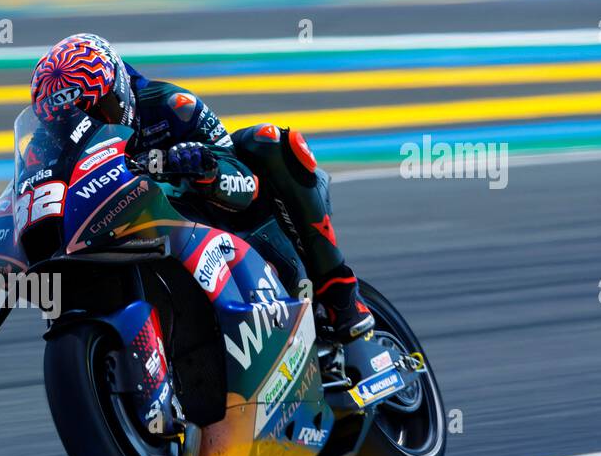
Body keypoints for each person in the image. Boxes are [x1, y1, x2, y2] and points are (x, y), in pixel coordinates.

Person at [30, 32, 374, 343]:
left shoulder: (171, 106)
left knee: (268, 142)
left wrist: (206, 169)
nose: (88, 126)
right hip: (116, 234)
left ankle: (339, 292)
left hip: (208, 218)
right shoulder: (42, 147)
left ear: (120, 88)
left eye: (100, 110)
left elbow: (246, 186)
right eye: (66, 122)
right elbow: (30, 194)